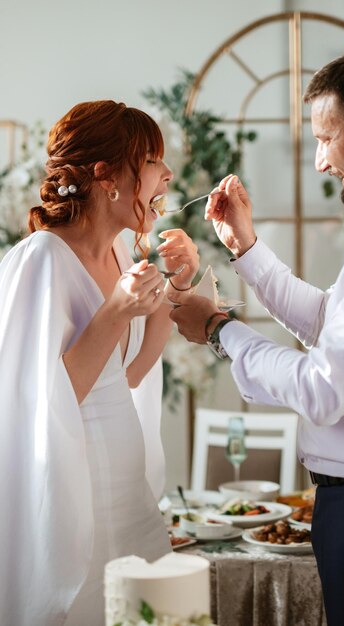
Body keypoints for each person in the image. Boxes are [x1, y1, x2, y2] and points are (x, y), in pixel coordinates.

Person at [169, 48, 344, 626]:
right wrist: (245, 249)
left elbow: (324, 387)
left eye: (324, 139)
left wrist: (218, 329)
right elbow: (332, 322)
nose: (319, 163)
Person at [0, 100, 199, 626]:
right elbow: (36, 406)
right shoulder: (39, 259)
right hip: (72, 499)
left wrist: (176, 284)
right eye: (152, 159)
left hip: (126, 495)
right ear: (105, 175)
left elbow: (129, 375)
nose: (167, 174)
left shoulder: (124, 258)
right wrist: (115, 311)